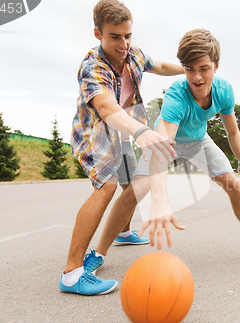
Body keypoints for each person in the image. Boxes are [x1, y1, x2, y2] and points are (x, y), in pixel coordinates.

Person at [59, 0, 184, 296]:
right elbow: (106, 107)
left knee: (132, 185)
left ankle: (124, 233)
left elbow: (161, 66)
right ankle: (72, 272)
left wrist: (188, 68)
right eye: (115, 36)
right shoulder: (92, 67)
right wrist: (141, 131)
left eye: (128, 35)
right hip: (97, 131)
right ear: (97, 33)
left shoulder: (135, 53)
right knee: (108, 187)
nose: (123, 43)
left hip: (126, 129)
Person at [139, 29, 240, 266]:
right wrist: (161, 199)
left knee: (234, 186)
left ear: (216, 66)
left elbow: (233, 132)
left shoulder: (224, 91)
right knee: (136, 189)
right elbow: (162, 148)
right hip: (166, 142)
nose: (196, 77)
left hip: (199, 140)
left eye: (203, 68)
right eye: (189, 68)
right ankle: (105, 247)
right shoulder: (177, 95)